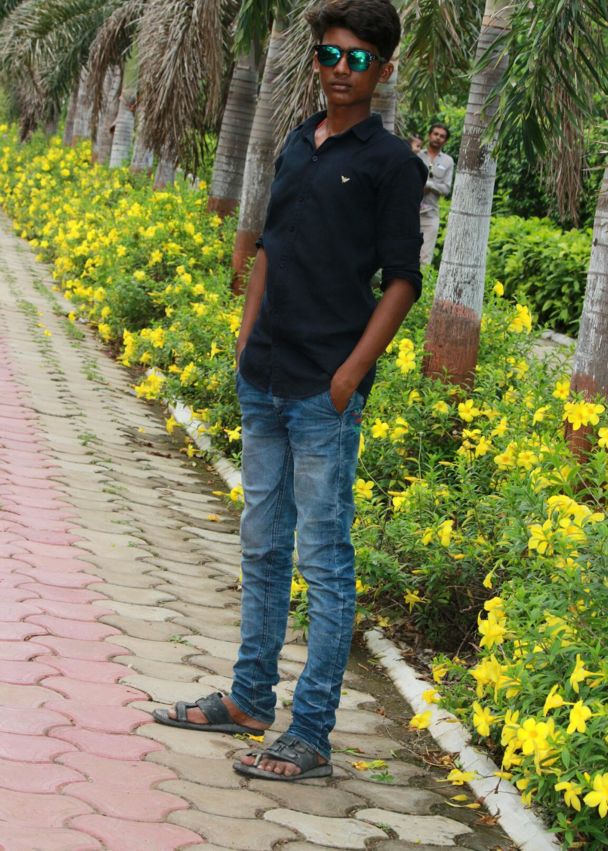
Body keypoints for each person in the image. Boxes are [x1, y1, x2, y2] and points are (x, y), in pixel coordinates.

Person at [153, 0, 427, 782]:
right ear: (315, 61)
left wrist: (348, 377)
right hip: (265, 374)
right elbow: (270, 246)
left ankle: (309, 734)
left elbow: (402, 280)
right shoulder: (297, 143)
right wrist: (246, 337)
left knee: (325, 560)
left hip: (321, 392)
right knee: (263, 545)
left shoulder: (391, 162)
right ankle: (248, 698)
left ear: (383, 69)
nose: (341, 70)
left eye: (358, 59)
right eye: (329, 55)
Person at [418, 123, 454, 266]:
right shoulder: (417, 155)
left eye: (442, 136)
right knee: (404, 252)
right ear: (429, 135)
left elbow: (446, 189)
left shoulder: (448, 161)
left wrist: (428, 185)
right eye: (436, 134)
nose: (438, 138)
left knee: (425, 258)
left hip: (430, 214)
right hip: (410, 211)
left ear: (445, 141)